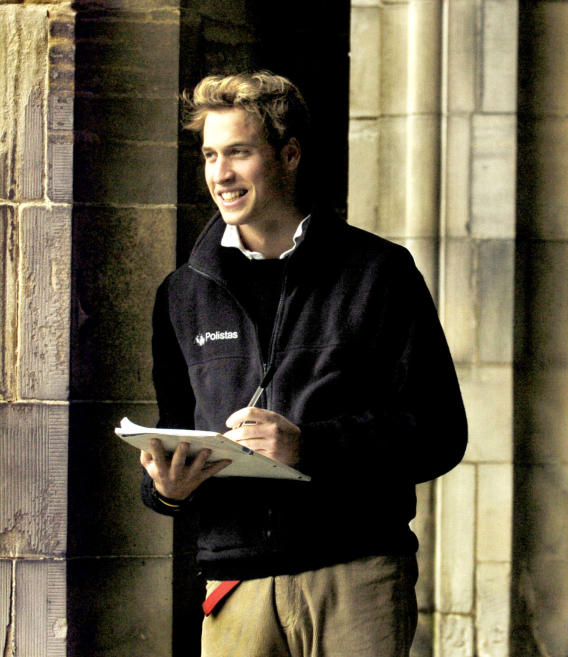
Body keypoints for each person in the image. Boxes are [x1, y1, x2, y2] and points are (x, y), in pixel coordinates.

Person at [139, 71, 468, 657]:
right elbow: (173, 431)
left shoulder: (379, 273)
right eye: (211, 155)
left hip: (355, 573)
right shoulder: (182, 293)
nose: (220, 174)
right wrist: (165, 488)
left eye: (238, 153)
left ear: (288, 155)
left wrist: (308, 447)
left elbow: (439, 433)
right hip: (235, 581)